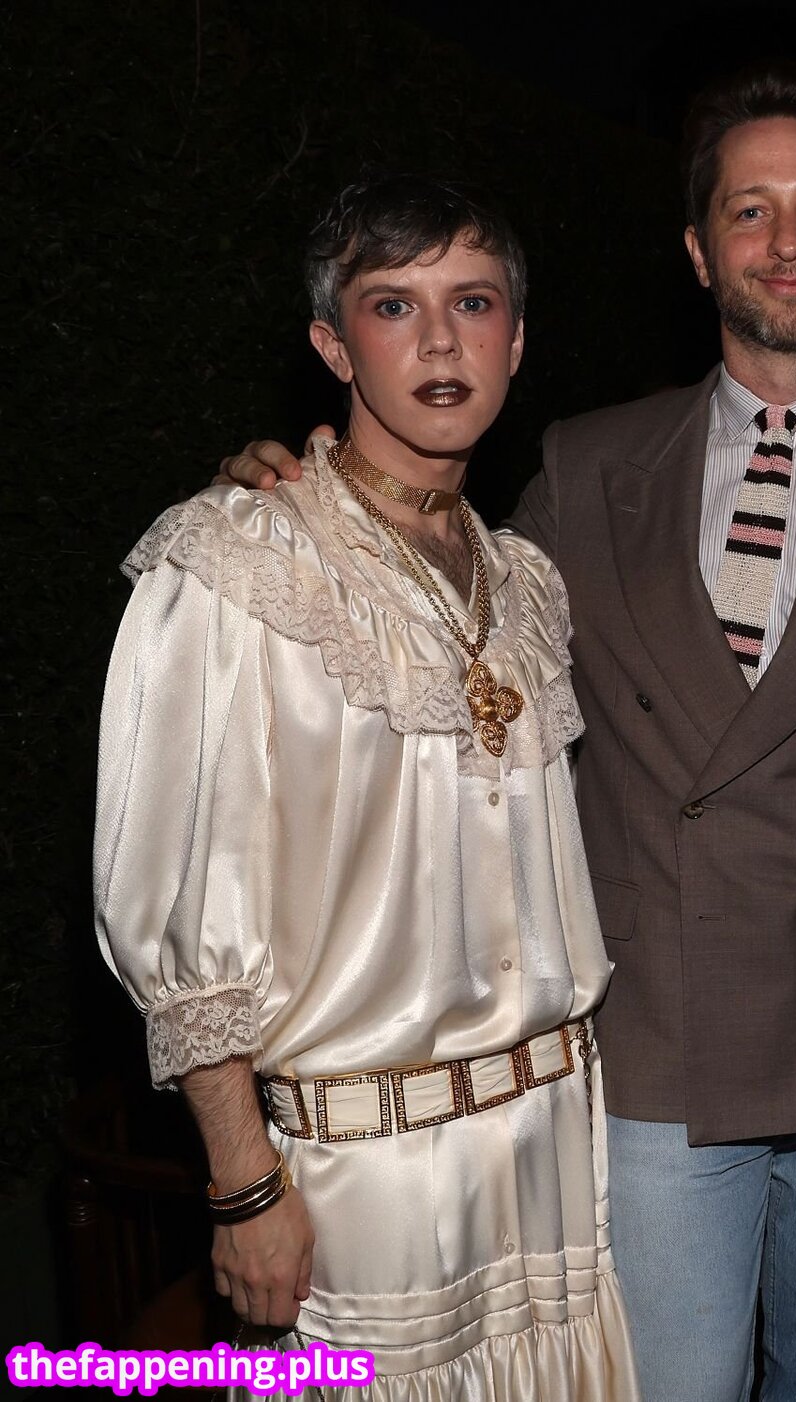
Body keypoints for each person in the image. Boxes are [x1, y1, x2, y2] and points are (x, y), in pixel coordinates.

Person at [217, 64, 796, 1402]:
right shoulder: (588, 461)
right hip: (654, 1041)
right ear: (698, 250)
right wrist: (308, 508)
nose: (788, 242)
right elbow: (447, 638)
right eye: (750, 211)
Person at [95, 176, 638, 1397]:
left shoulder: (529, 581)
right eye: (394, 305)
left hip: (557, 1155)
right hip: (364, 1176)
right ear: (333, 346)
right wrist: (244, 1184)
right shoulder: (238, 560)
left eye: (473, 303)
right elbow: (179, 897)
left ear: (516, 339)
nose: (441, 340)